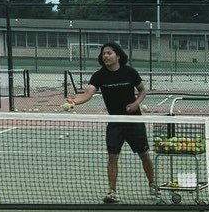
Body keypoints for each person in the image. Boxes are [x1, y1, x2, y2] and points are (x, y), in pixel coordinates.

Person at [66, 42, 156, 203]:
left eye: (109, 53)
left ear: (118, 55)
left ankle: (153, 185)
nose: (105, 56)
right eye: (103, 54)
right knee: (113, 157)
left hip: (134, 121)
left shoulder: (130, 72)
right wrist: (74, 102)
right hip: (114, 122)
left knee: (144, 155)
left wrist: (136, 103)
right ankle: (112, 192)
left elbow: (142, 90)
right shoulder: (99, 75)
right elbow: (87, 94)